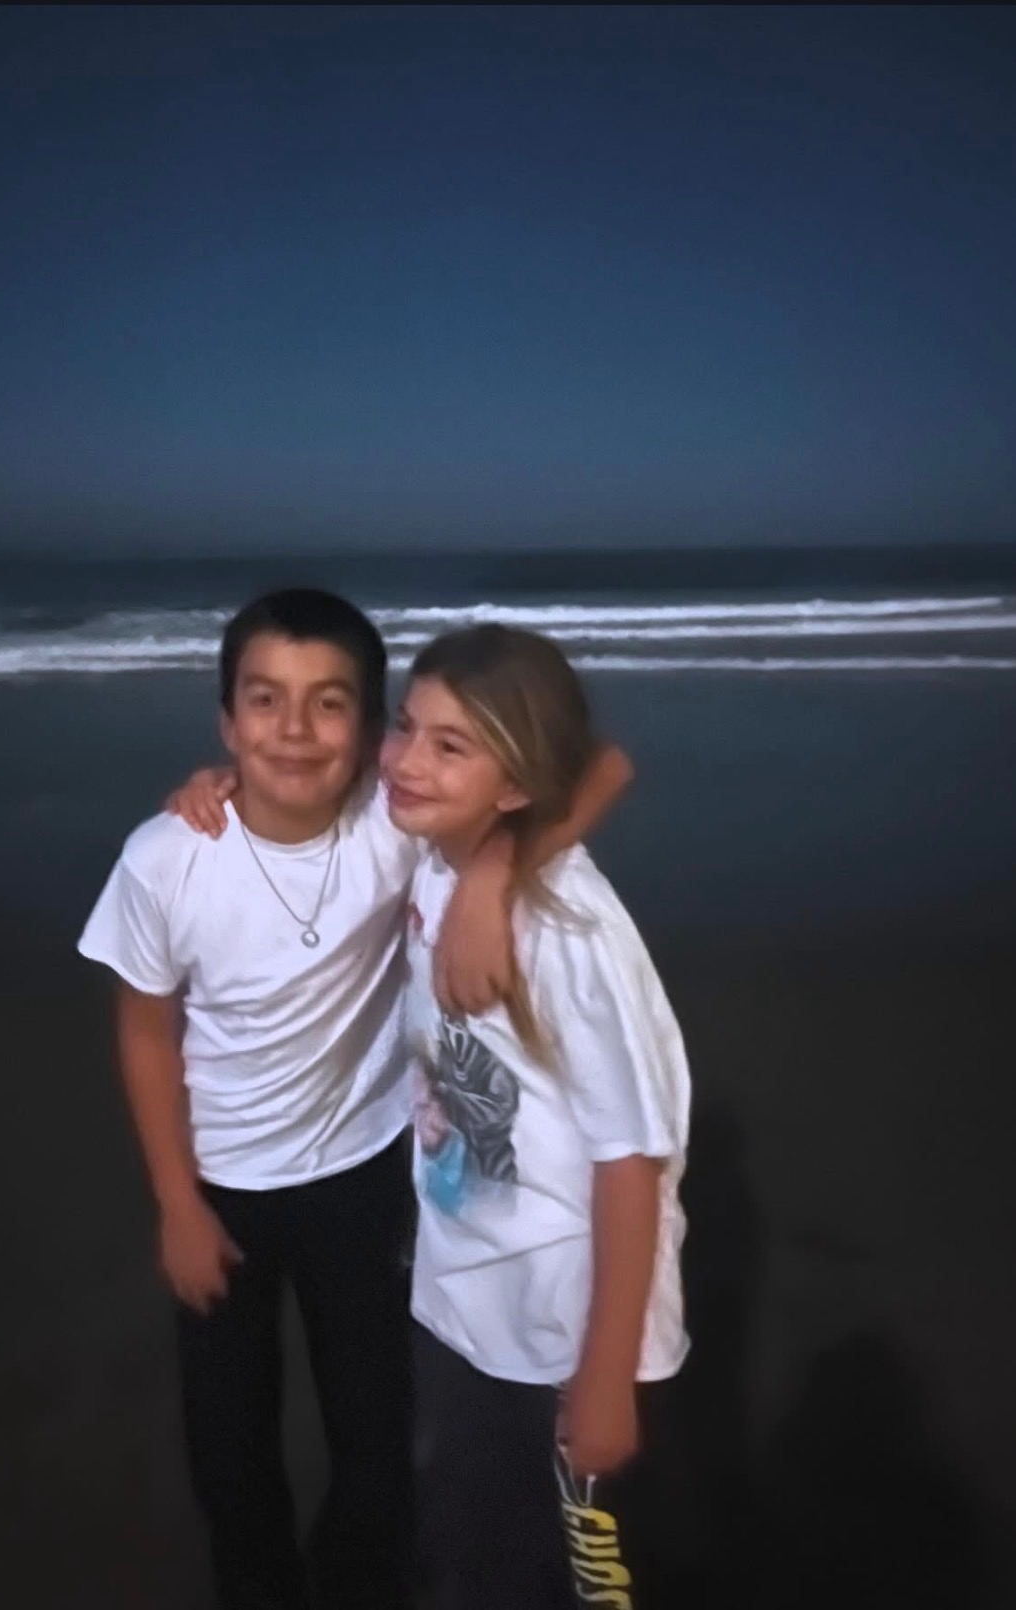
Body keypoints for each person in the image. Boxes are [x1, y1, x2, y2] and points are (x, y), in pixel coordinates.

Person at [78, 589, 632, 1610]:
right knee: (229, 1453)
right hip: (222, 1186)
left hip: (368, 1176)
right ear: (226, 722)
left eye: (328, 703)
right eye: (265, 700)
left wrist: (494, 874)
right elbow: (146, 1030)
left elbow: (602, 765)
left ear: (375, 733)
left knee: (377, 1446)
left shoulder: (398, 821)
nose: (294, 730)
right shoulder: (165, 859)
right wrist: (176, 1204)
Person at [381, 624, 691, 1610]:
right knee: (475, 1555)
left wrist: (605, 1376)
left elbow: (631, 1160)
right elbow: (596, 765)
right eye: (404, 725)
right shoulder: (433, 859)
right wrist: (488, 869)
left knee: (583, 1583)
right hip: (462, 1301)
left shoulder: (571, 932)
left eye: (450, 745)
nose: (406, 760)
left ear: (515, 786)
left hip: (567, 1329)